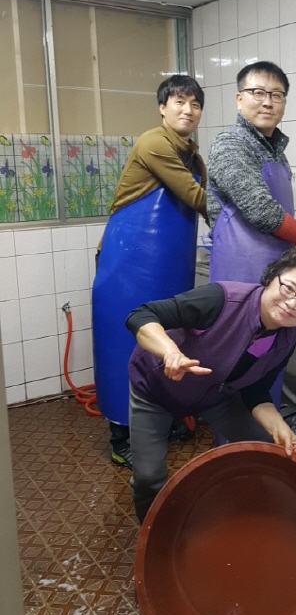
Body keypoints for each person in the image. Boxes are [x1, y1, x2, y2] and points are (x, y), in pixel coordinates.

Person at [125, 246, 296, 523]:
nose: (292, 303)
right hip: (154, 389)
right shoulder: (222, 300)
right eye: (288, 288)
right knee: (149, 477)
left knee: (267, 449)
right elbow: (141, 315)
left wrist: (279, 426)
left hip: (216, 397)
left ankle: (249, 515)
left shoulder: (285, 340)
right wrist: (170, 353)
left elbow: (256, 391)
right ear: (271, 278)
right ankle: (152, 534)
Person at [92, 74, 207, 469]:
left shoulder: (192, 154)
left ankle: (160, 418)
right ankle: (120, 436)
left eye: (195, 104)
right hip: (126, 263)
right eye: (179, 102)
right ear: (162, 107)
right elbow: (193, 195)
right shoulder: (153, 142)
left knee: (166, 339)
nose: (188, 110)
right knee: (122, 344)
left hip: (168, 263)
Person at [206, 60, 296, 284]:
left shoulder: (277, 153)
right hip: (238, 277)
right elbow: (261, 211)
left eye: (276, 95)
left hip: (276, 274)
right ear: (239, 99)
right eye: (258, 93)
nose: (268, 102)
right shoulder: (230, 144)